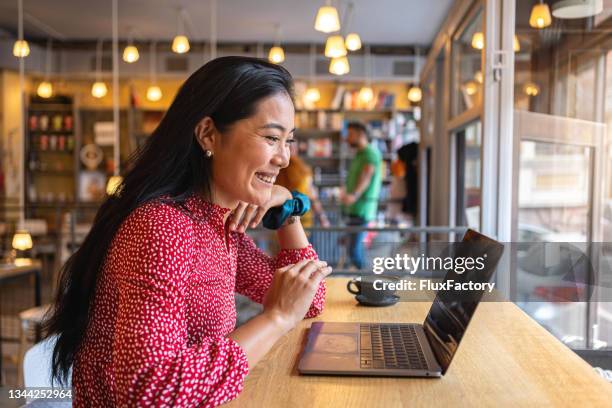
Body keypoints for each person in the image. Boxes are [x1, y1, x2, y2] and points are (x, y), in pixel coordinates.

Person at [43, 57, 332, 407]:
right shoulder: (162, 227)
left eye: (288, 140)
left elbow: (309, 299)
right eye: (271, 137)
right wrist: (276, 318)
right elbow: (149, 393)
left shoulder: (216, 224)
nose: (284, 157)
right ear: (208, 133)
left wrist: (288, 208)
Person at [340, 121, 382, 270]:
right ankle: (366, 283)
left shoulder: (370, 153)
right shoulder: (359, 154)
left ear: (361, 134)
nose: (347, 138)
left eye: (350, 134)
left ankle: (369, 284)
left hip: (362, 209)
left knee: (354, 251)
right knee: (352, 249)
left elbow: (367, 174)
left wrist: (354, 195)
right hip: (354, 208)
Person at [276, 144, 330, 228]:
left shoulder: (276, 170)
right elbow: (313, 197)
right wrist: (323, 218)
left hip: (282, 219)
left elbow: (313, 197)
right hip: (299, 220)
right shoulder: (303, 172)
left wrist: (322, 218)